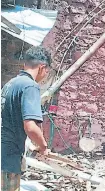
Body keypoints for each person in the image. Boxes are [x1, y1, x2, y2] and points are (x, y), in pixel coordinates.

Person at [1, 46, 52, 191]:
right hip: (8, 157)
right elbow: (30, 126)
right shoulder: (30, 86)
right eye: (47, 71)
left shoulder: (10, 84)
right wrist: (43, 147)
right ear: (42, 67)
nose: (45, 75)